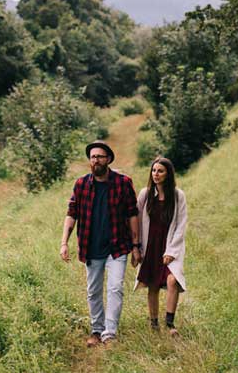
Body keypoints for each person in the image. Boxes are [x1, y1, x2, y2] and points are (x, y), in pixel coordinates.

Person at [60, 141, 141, 346]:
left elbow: (133, 214)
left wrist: (136, 245)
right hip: (91, 247)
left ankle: (110, 333)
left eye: (100, 156)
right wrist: (64, 243)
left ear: (109, 160)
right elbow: (71, 214)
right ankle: (97, 330)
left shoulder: (123, 183)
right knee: (93, 291)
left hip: (117, 247)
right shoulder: (81, 185)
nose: (96, 160)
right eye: (93, 157)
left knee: (115, 288)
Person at [134, 156, 188, 336]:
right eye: (154, 170)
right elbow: (137, 220)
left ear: (168, 174)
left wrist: (172, 251)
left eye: (160, 171)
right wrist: (137, 247)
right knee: (153, 284)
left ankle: (170, 323)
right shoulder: (145, 194)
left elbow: (181, 224)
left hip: (169, 245)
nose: (156, 174)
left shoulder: (178, 195)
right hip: (150, 245)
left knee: (173, 280)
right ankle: (154, 323)